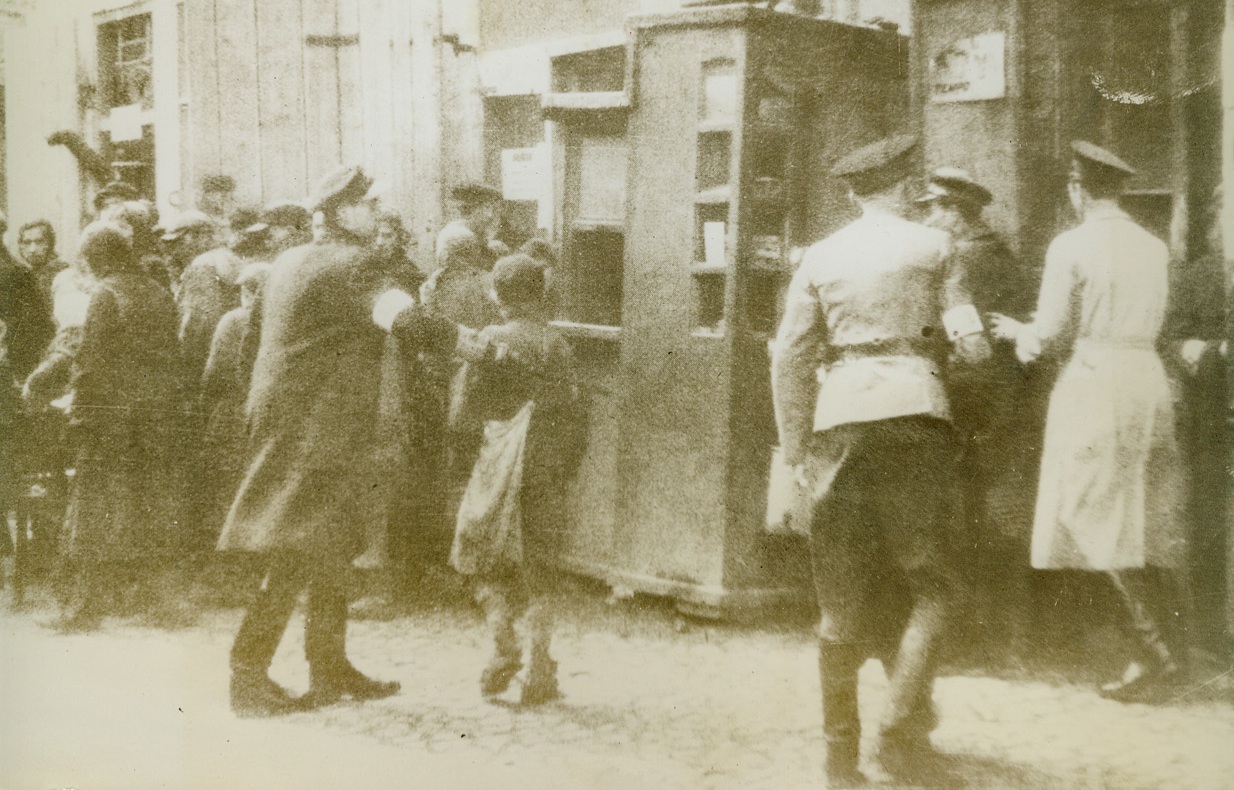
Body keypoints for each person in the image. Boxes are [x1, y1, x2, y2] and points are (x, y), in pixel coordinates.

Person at [772, 134, 989, 788]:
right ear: (901, 188)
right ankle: (899, 726)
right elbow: (972, 344)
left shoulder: (819, 256)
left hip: (838, 423)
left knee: (839, 606)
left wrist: (797, 450)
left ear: (852, 192)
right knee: (933, 583)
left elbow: (788, 359)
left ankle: (841, 764)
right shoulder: (937, 247)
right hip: (916, 419)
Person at [990, 141, 1187, 703]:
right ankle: (1163, 647)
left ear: (1078, 189)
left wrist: (1015, 334)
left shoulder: (1070, 245)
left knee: (1087, 509)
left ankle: (1155, 655)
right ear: (1119, 190)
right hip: (1146, 377)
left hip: (1096, 379)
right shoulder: (1152, 246)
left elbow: (1047, 332)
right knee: (1143, 512)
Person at [218, 165, 400, 717]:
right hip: (322, 432)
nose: (376, 213)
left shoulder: (288, 260)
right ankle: (247, 678)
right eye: (368, 205)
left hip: (292, 424)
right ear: (340, 213)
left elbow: (251, 342)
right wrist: (475, 345)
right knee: (297, 552)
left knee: (332, 546)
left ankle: (329, 665)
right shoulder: (356, 262)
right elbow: (404, 319)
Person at [446, 254, 582, 705]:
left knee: (483, 558)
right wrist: (563, 468)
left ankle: (504, 647)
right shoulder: (557, 344)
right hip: (546, 469)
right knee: (541, 568)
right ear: (539, 294)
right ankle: (542, 668)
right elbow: (576, 416)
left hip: (495, 465)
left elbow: (462, 416)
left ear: (497, 296)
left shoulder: (488, 340)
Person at [917, 167, 1038, 658]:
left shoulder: (962, 260)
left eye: (933, 209)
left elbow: (960, 334)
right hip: (1005, 399)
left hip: (969, 400)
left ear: (952, 213)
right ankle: (1008, 633)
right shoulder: (1002, 252)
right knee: (997, 512)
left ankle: (969, 636)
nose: (927, 218)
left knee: (961, 514)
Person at [58, 221, 185, 630]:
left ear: (96, 259)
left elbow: (91, 361)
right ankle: (158, 602)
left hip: (111, 419)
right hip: (157, 417)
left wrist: (78, 410)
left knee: (94, 507)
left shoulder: (104, 294)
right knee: (150, 504)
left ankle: (86, 608)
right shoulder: (158, 292)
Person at [434, 182, 504, 272]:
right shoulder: (463, 237)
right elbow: (478, 277)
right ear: (472, 208)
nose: (490, 216)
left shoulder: (458, 229)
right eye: (487, 207)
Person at [18, 220, 69, 304]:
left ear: (50, 244)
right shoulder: (22, 272)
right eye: (27, 243)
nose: (32, 249)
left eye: (39, 242)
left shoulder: (62, 273)